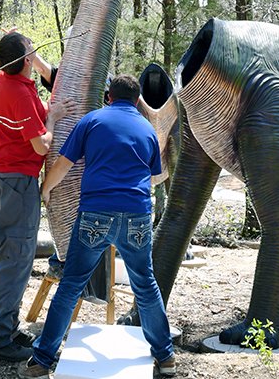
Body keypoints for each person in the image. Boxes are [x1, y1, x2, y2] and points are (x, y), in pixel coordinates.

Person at [18, 74, 176, 378]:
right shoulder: (147, 129)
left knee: (71, 285)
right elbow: (155, 174)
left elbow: (64, 163)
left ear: (109, 97)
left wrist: (46, 189)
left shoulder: (92, 121)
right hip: (137, 215)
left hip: (96, 214)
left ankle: (41, 360)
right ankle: (166, 358)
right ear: (137, 101)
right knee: (145, 284)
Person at [0, 32, 73, 362]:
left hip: (0, 179)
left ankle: (5, 328)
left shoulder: (7, 82)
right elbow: (41, 144)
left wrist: (48, 109)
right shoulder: (18, 91)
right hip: (16, 182)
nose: (35, 55)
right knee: (16, 260)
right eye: (31, 51)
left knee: (10, 258)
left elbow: (27, 122)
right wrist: (53, 117)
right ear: (26, 60)